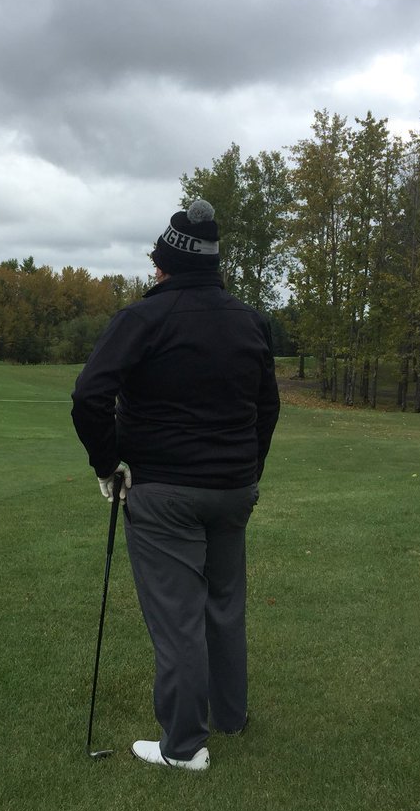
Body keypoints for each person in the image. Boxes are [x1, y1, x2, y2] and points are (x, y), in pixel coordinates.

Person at [71, 199, 280, 769]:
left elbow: (90, 395)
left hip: (164, 492)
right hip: (233, 491)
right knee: (223, 604)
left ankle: (184, 747)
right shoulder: (249, 321)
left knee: (178, 616)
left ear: (166, 263)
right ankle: (228, 716)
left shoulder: (143, 318)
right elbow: (268, 409)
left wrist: (106, 464)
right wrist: (247, 469)